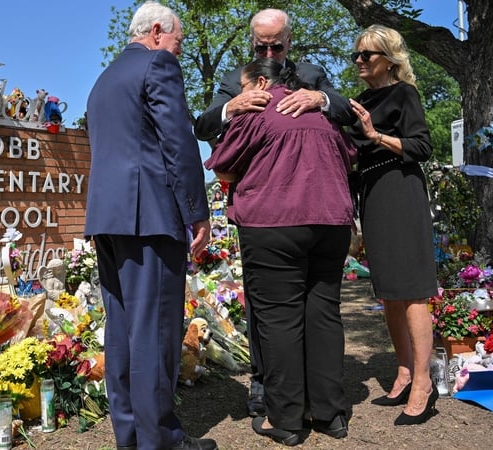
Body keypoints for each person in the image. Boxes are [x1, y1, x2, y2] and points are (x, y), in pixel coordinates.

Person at [194, 8, 356, 418]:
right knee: (283, 311)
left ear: (289, 42)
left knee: (290, 312)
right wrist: (233, 106)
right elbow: (203, 125)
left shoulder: (312, 74)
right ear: (252, 44)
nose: (269, 51)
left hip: (279, 213)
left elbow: (346, 112)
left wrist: (321, 99)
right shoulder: (235, 80)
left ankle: (292, 406)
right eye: (261, 45)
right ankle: (270, 385)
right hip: (305, 210)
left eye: (276, 45)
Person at [84, 2, 214, 449]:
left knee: (121, 330)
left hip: (108, 216)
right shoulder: (158, 63)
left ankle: (133, 436)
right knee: (156, 332)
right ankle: (161, 441)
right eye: (178, 41)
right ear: (157, 32)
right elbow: (177, 140)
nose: (178, 51)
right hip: (150, 216)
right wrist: (197, 211)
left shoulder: (104, 79)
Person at [347, 24, 439, 426]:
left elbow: (422, 146)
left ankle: (423, 381)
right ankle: (403, 371)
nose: (360, 62)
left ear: (388, 58)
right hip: (372, 193)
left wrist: (375, 134)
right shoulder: (360, 100)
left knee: (413, 290)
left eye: (367, 54)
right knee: (388, 291)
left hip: (400, 189)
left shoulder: (405, 94)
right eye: (356, 55)